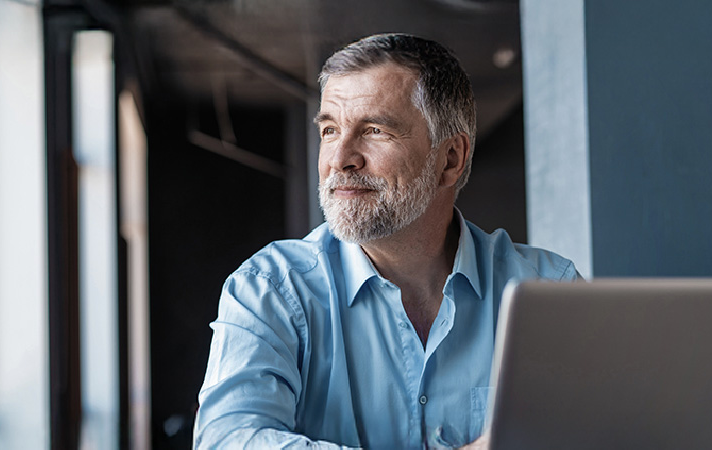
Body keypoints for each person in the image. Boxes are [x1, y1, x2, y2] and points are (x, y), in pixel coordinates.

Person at [194, 33, 578, 449]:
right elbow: (226, 440)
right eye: (329, 130)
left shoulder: (548, 292)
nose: (340, 159)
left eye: (374, 130)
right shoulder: (271, 289)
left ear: (450, 159)